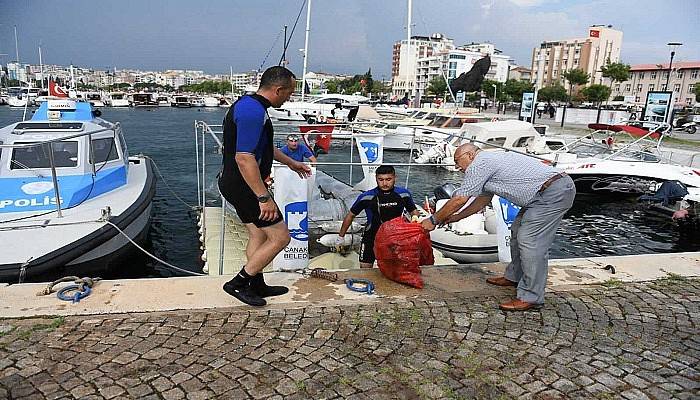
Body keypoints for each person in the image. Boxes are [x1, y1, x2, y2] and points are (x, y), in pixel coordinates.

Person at [421, 143, 576, 311]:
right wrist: (456, 217)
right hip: (541, 194)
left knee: (531, 242)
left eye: (458, 161)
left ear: (470, 155)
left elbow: (460, 199)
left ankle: (532, 296)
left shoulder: (480, 163)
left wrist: (433, 220)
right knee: (517, 233)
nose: (457, 167)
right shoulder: (488, 163)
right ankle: (514, 276)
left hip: (552, 192)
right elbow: (483, 200)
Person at [218, 66, 311, 307]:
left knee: (258, 234)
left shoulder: (252, 106)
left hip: (235, 182)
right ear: (278, 89)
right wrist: (264, 198)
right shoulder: (252, 111)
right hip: (244, 185)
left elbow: (263, 146)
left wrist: (292, 163)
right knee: (281, 237)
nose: (289, 97)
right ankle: (238, 283)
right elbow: (244, 158)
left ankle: (256, 284)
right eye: (289, 93)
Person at [337, 165, 420, 268]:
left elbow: (413, 211)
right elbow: (350, 215)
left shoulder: (404, 194)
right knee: (365, 268)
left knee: (394, 268)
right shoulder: (367, 196)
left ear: (395, 178)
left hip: (394, 238)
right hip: (371, 236)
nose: (384, 183)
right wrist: (341, 237)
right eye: (381, 180)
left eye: (388, 179)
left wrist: (415, 217)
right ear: (376, 179)